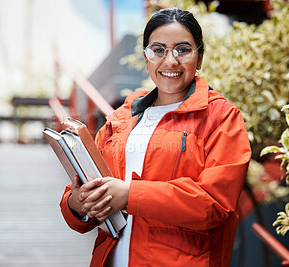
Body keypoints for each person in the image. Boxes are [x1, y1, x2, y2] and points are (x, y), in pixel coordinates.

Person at [60, 7, 251, 267]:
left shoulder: (221, 118)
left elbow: (215, 204)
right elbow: (84, 193)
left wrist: (130, 195)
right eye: (158, 50)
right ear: (146, 57)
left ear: (200, 57)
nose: (170, 61)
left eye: (182, 50)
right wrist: (78, 202)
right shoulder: (122, 117)